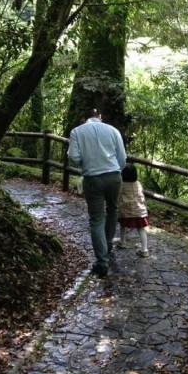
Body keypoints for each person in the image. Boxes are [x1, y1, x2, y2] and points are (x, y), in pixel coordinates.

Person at [68, 108, 126, 276]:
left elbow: (74, 157)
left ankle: (102, 262)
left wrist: (86, 164)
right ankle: (107, 245)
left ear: (83, 118)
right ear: (100, 116)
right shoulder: (113, 130)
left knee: (96, 219)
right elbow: (122, 157)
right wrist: (115, 171)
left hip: (93, 178)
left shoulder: (77, 132)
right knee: (113, 209)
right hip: (114, 176)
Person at [115, 162, 150, 257]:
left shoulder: (121, 185)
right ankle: (144, 249)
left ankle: (122, 242)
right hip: (140, 211)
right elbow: (141, 197)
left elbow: (117, 196)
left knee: (123, 226)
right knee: (141, 230)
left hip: (126, 212)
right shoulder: (138, 184)